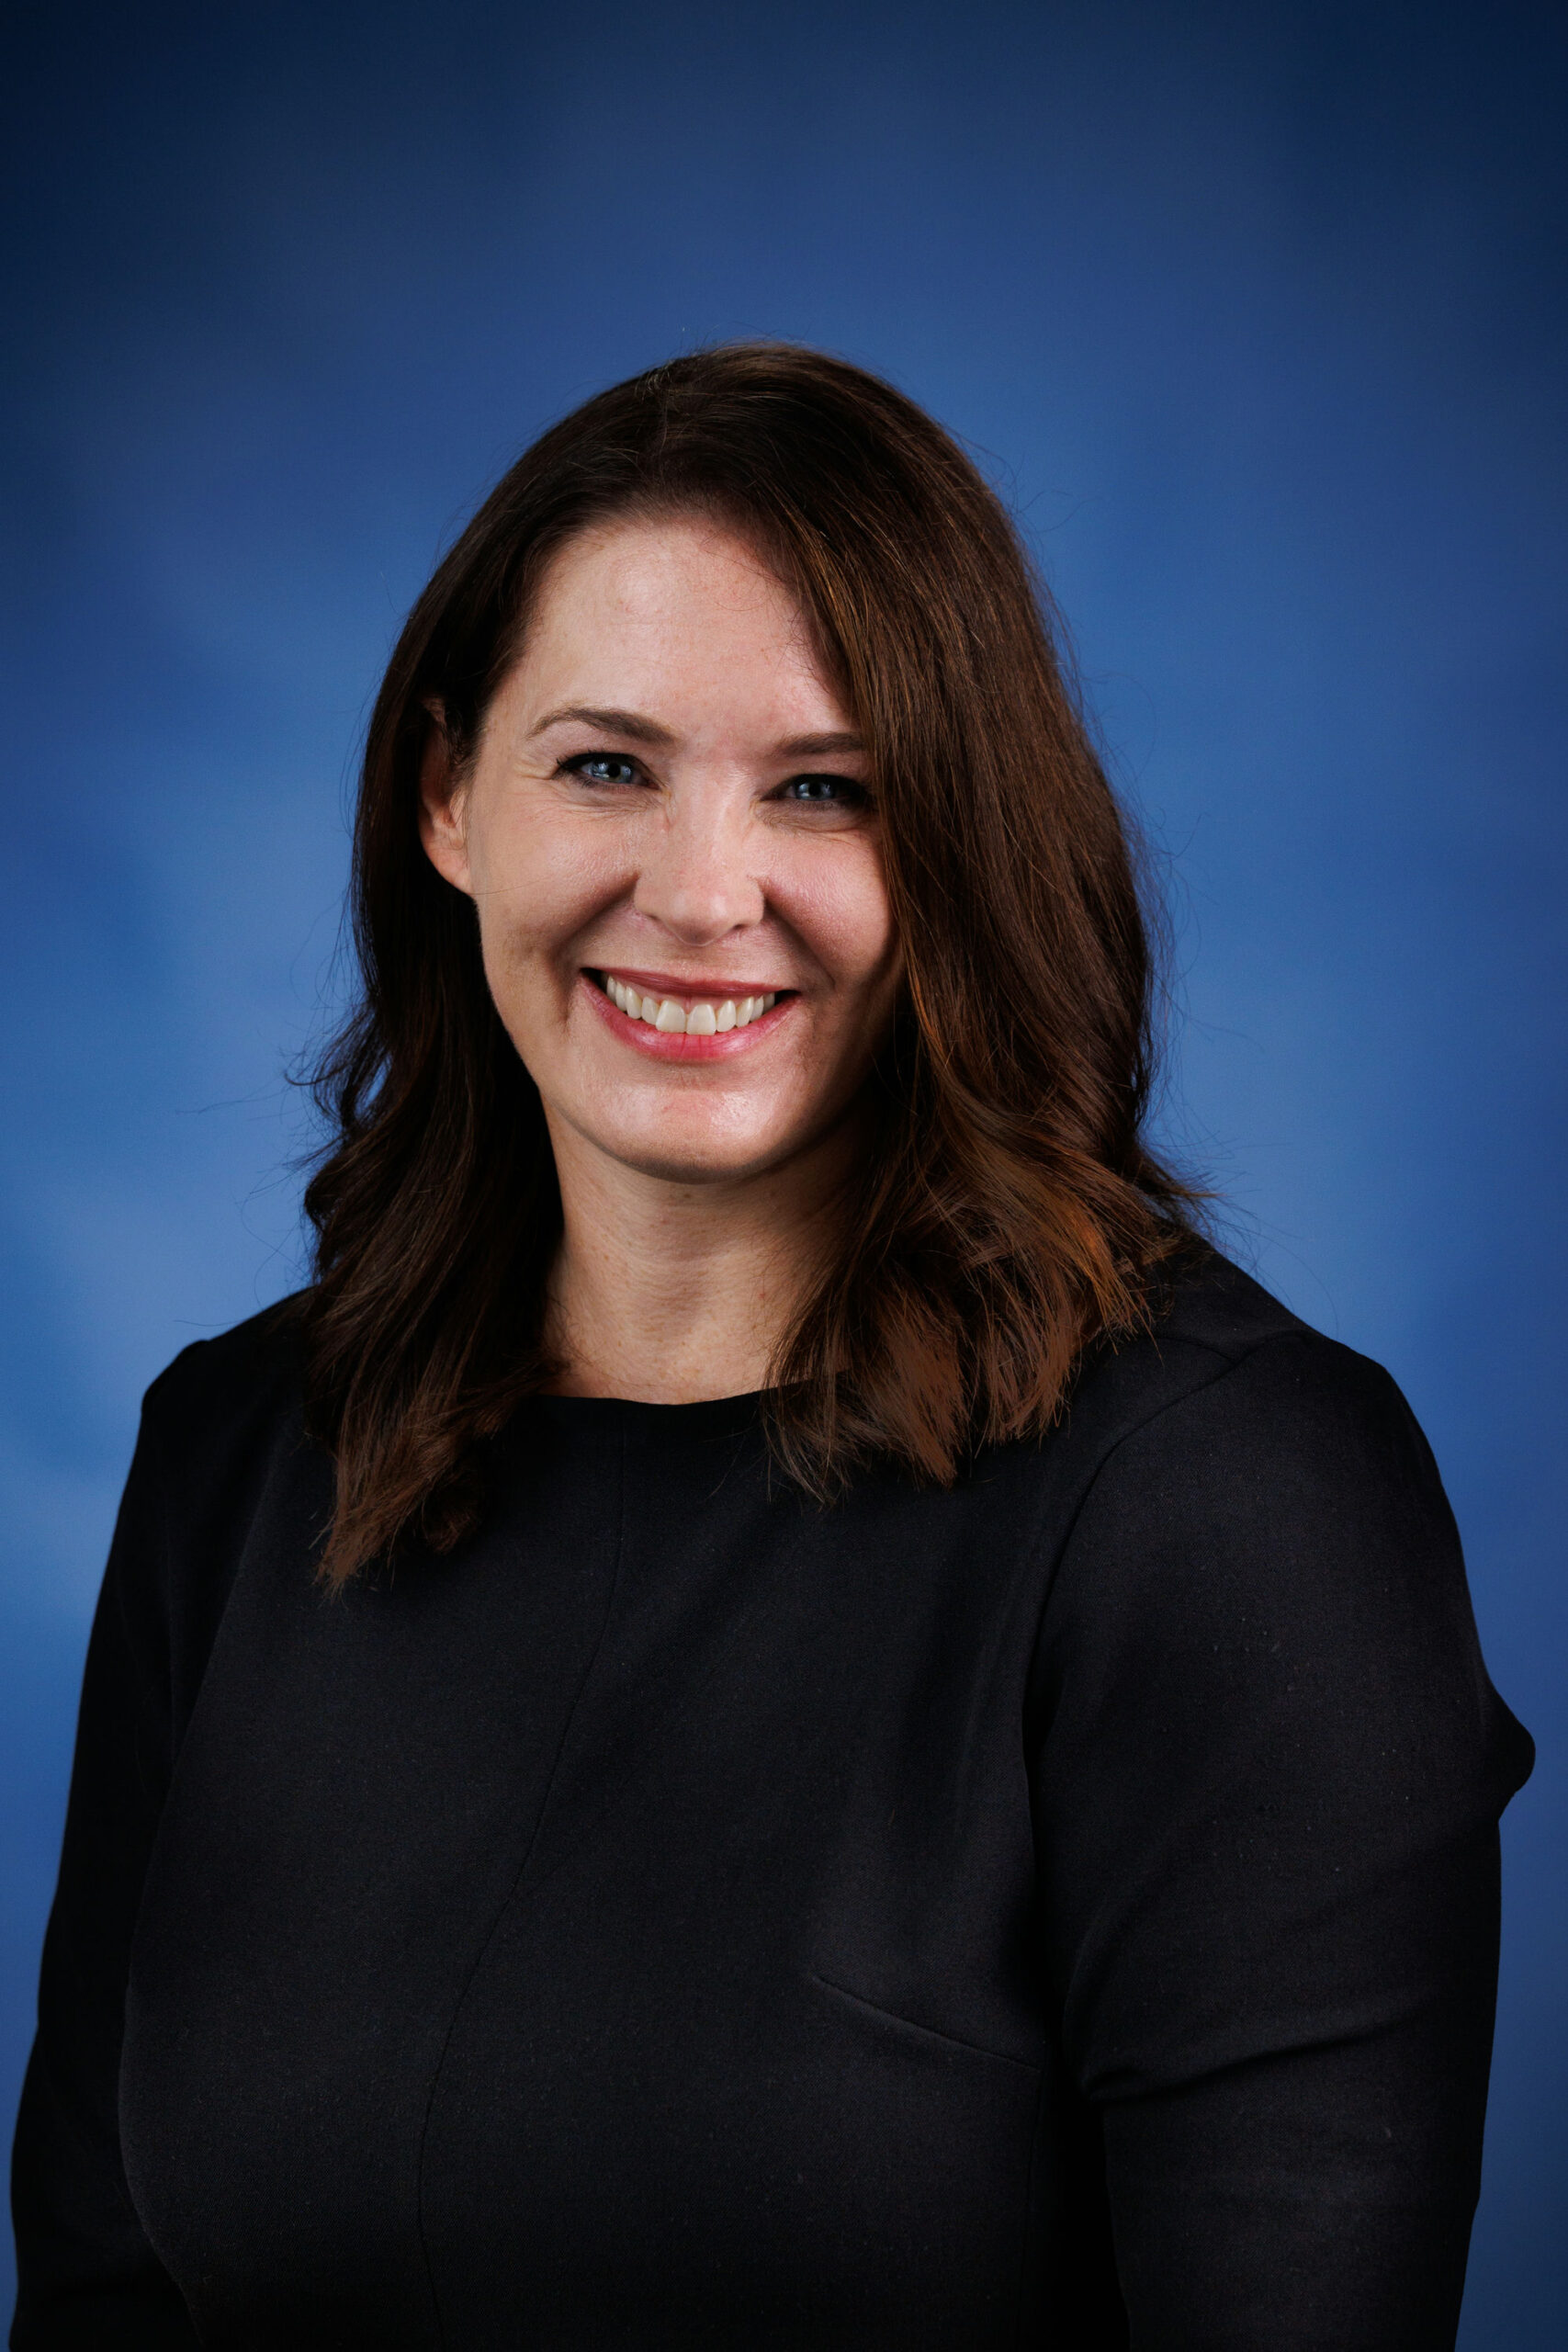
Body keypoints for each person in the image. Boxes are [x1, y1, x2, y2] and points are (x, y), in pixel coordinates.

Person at [10, 345, 1531, 2350]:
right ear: (447, 794)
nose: (700, 892)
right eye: (605, 765)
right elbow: (108, 2294)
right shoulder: (244, 1446)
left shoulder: (1229, 1506)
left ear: (959, 855)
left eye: (824, 788)